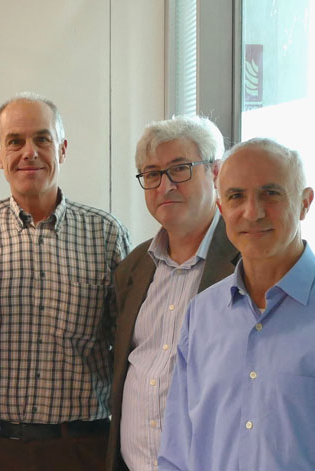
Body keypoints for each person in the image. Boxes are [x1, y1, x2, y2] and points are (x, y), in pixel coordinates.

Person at [0, 92, 131, 471]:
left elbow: (129, 343)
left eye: (42, 139)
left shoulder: (105, 235)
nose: (29, 151)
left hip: (82, 450)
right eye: (15, 141)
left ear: (61, 149)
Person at [158, 138, 315, 470]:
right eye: (236, 197)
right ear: (221, 209)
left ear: (305, 203)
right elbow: (178, 449)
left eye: (271, 194)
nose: (253, 212)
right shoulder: (201, 314)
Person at [107, 116, 239, 471]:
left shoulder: (247, 259)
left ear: (216, 173)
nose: (165, 185)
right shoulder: (132, 269)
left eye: (179, 169)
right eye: (151, 174)